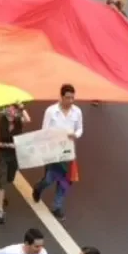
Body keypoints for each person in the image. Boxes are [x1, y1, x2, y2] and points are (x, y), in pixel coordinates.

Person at [33, 84, 83, 220]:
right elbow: (44, 130)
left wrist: (75, 135)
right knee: (50, 178)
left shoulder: (77, 112)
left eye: (73, 98)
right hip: (53, 151)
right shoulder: (51, 111)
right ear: (61, 97)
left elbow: (80, 129)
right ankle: (39, 187)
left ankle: (57, 206)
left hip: (68, 151)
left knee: (65, 181)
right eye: (68, 98)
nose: (70, 101)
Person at [0, 104, 30, 224]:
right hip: (2, 154)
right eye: (8, 110)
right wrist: (9, 145)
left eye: (13, 110)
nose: (11, 113)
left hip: (14, 155)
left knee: (10, 177)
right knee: (1, 179)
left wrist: (22, 108)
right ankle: (0, 209)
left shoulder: (19, 122)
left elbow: (28, 119)